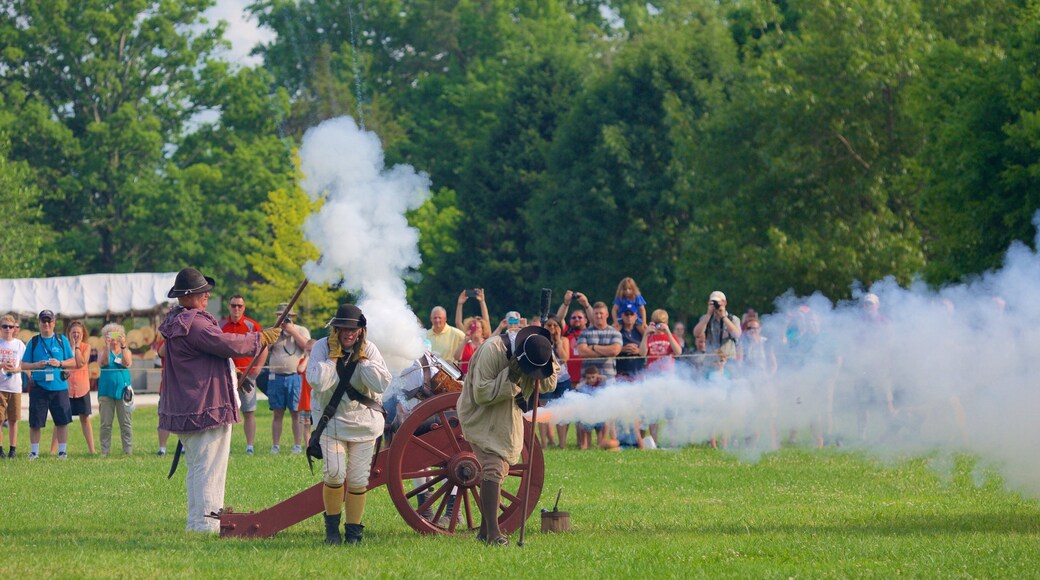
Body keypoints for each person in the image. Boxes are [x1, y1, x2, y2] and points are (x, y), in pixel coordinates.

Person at [159, 268, 279, 533]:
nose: (207, 295)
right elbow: (226, 343)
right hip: (204, 407)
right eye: (202, 292)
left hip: (189, 406)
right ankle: (207, 527)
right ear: (189, 296)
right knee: (209, 471)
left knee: (197, 470)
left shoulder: (177, 320)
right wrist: (261, 338)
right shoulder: (195, 323)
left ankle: (197, 524)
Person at [457, 325, 558, 545]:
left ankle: (484, 532)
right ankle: (493, 534)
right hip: (480, 414)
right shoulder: (491, 351)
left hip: (508, 415)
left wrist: (539, 365)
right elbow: (482, 394)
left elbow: (550, 383)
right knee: (493, 467)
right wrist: (511, 376)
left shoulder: (540, 349)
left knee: (500, 468)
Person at [307, 303, 392, 545]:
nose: (348, 334)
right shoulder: (322, 349)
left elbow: (381, 385)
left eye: (353, 329)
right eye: (343, 328)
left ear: (361, 331)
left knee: (357, 480)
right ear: (335, 330)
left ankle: (354, 533)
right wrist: (333, 357)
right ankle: (332, 532)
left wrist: (362, 359)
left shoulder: (370, 350)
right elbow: (318, 382)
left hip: (364, 423)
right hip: (331, 422)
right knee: (334, 474)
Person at [22, 309, 75, 459]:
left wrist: (60, 363)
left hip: (59, 387)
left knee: (62, 421)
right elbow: (24, 365)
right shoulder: (33, 342)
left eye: (49, 321)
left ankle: (62, 452)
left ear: (54, 323)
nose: (46, 324)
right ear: (39, 323)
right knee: (35, 422)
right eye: (43, 321)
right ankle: (34, 452)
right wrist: (36, 365)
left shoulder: (61, 340)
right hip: (39, 387)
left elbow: (73, 362)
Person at [218, 294, 267, 454]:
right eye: (233, 305)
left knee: (249, 411)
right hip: (227, 376)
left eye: (239, 306)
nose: (236, 308)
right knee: (226, 414)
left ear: (244, 308)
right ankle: (225, 447)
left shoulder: (252, 325)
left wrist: (257, 369)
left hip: (247, 376)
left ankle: (250, 446)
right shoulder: (220, 325)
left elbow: (263, 347)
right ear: (229, 306)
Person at [267, 302, 311, 454]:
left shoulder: (300, 330)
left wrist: (292, 331)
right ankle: (275, 445)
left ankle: (297, 445)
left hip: (295, 377)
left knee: (296, 412)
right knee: (277, 412)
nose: (284, 319)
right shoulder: (273, 331)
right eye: (280, 316)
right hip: (276, 377)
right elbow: (265, 348)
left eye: (286, 316)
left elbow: (308, 347)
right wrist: (276, 330)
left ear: (292, 317)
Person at [55, 321, 94, 455]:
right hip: (65, 387)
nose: (76, 335)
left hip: (82, 387)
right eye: (73, 333)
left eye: (78, 333)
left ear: (83, 334)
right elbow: (62, 364)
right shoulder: (63, 347)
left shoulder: (86, 347)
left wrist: (77, 347)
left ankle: (92, 450)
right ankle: (53, 450)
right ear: (69, 334)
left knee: (85, 418)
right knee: (60, 419)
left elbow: (81, 362)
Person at [97, 323, 133, 456]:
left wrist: (123, 345)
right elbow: (104, 363)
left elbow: (126, 363)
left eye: (116, 335)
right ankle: (104, 451)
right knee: (105, 424)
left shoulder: (126, 350)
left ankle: (127, 451)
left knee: (126, 423)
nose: (114, 339)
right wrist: (107, 346)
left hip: (123, 391)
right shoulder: (103, 351)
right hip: (106, 391)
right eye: (110, 335)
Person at [540, 316, 570, 448]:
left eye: (555, 325)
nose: (552, 328)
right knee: (544, 411)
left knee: (562, 412)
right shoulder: (541, 341)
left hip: (562, 379)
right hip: (545, 379)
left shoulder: (564, 340)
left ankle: (562, 444)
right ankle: (544, 444)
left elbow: (564, 359)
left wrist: (557, 342)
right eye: (549, 325)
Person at [0, 314, 25, 459]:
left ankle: (13, 449)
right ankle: (0, 449)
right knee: (0, 419)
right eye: (5, 326)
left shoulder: (19, 345)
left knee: (14, 419)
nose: (8, 329)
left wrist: (17, 370)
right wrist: (2, 365)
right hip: (0, 387)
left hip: (15, 387)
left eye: (11, 326)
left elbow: (23, 364)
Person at [576, 302, 623, 380]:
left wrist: (593, 347)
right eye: (596, 313)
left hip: (608, 378)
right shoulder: (584, 333)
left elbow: (614, 351)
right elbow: (582, 352)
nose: (598, 316)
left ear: (607, 315)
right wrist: (606, 352)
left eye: (601, 313)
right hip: (587, 379)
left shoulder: (615, 333)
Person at [693, 291, 742, 359]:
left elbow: (736, 335)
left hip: (729, 361)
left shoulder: (733, 319)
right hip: (710, 360)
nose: (715, 305)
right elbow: (697, 334)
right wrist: (708, 315)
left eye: (717, 302)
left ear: (724, 302)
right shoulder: (705, 318)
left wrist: (724, 317)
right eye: (713, 302)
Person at [615, 307, 645, 379]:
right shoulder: (617, 331)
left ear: (636, 316)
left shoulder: (640, 331)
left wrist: (639, 350)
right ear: (622, 316)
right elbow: (610, 347)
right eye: (626, 314)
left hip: (638, 371)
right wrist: (622, 349)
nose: (629, 317)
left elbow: (649, 347)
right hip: (621, 372)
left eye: (632, 314)